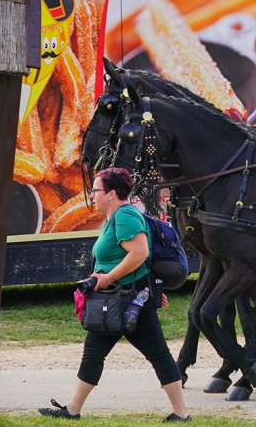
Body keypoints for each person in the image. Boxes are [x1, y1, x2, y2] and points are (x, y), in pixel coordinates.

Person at [39, 167, 189, 421]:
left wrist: (107, 278)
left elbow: (140, 254)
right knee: (94, 352)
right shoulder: (115, 217)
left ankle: (182, 414)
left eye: (96, 190)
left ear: (111, 193)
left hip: (130, 301)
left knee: (158, 355)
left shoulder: (126, 216)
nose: (92, 195)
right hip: (114, 300)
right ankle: (72, 410)